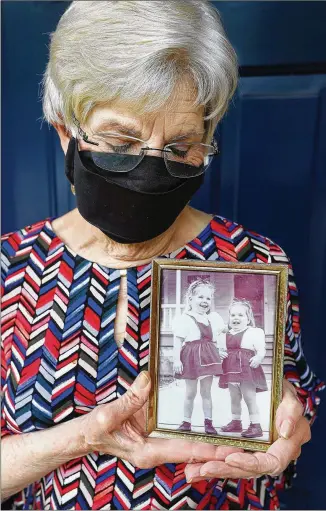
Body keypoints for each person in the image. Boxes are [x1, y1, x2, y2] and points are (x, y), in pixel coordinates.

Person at [1, 1, 323, 509]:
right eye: (120, 140)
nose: (150, 173)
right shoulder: (9, 270)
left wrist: (286, 420)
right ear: (65, 129)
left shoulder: (253, 261)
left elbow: (293, 414)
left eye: (179, 149)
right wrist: (81, 438)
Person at [173, 279, 225, 434]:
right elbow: (178, 341)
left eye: (208, 298)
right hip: (190, 358)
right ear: (190, 299)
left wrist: (219, 350)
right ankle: (186, 422)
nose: (205, 301)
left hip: (208, 358)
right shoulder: (185, 318)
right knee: (190, 392)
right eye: (200, 297)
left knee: (206, 392)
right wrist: (176, 359)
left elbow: (217, 337)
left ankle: (208, 423)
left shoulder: (211, 318)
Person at [219, 299, 267, 438]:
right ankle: (236, 422)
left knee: (249, 398)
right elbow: (221, 350)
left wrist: (258, 358)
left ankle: (255, 425)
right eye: (233, 315)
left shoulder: (254, 332)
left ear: (248, 318)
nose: (236, 318)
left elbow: (261, 350)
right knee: (234, 398)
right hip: (230, 370)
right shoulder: (225, 335)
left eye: (240, 315)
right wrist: (220, 352)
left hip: (247, 370)